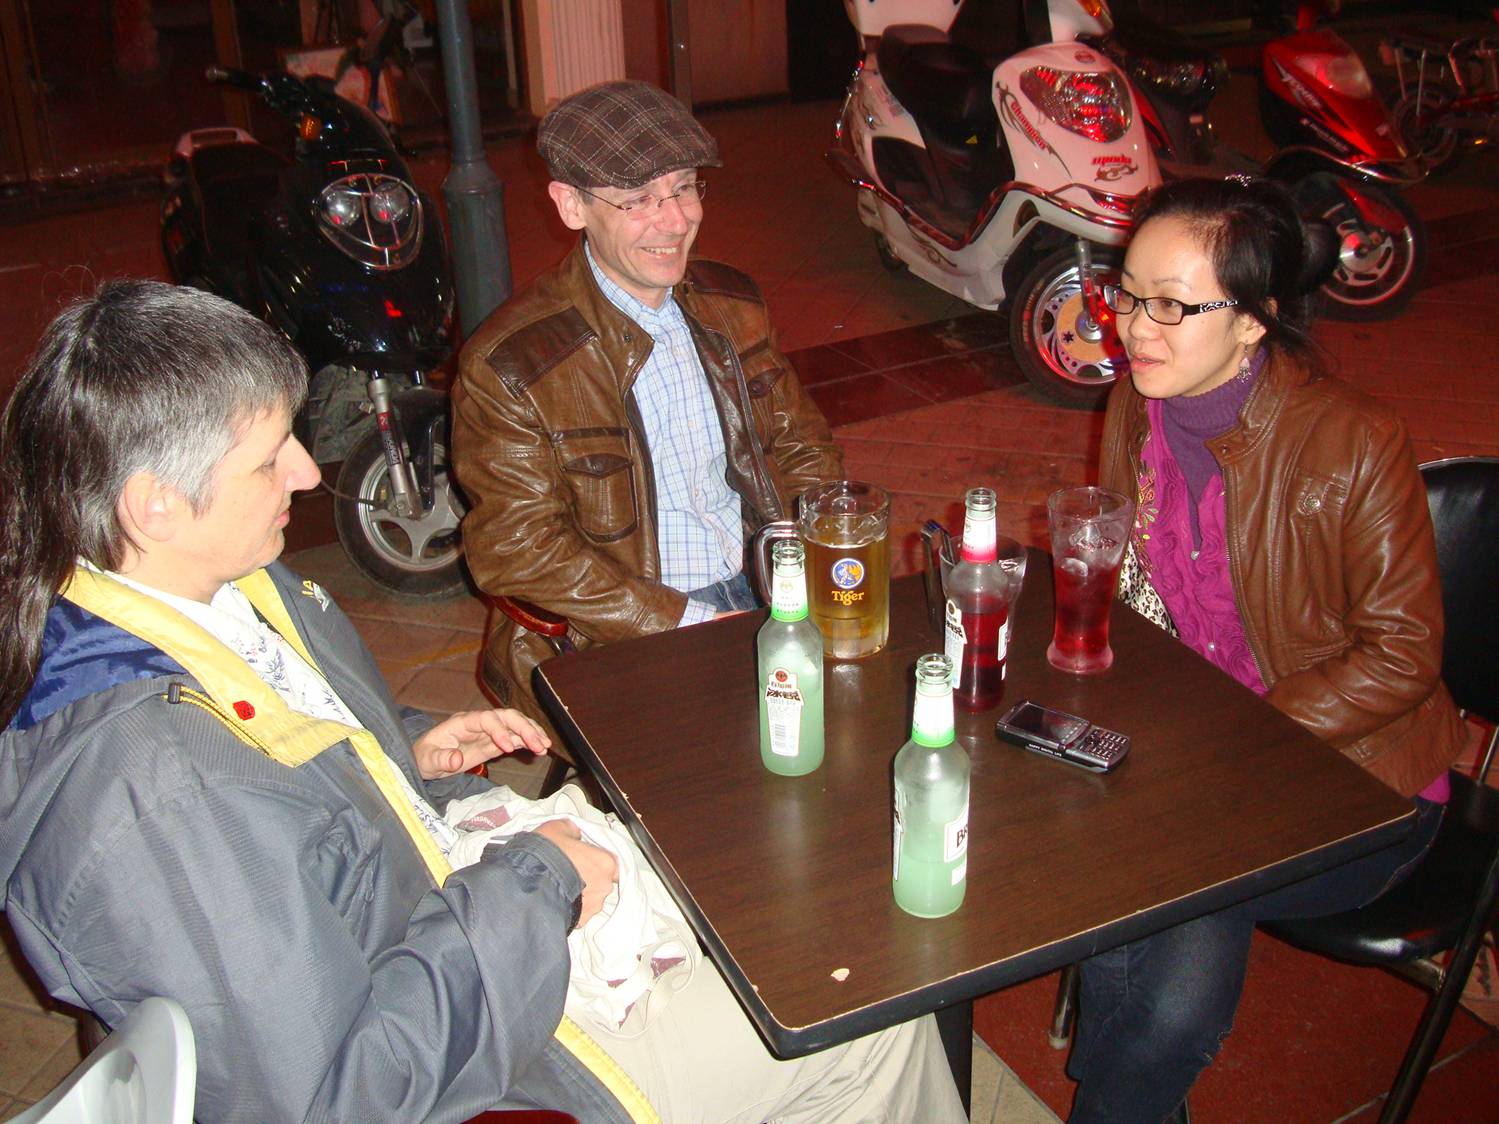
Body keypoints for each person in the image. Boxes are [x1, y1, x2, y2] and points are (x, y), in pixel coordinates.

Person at [0, 281, 963, 1124]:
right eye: (267, 458)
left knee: (732, 848)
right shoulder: (153, 795)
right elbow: (339, 1098)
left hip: (437, 911)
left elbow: (283, 777)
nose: (305, 470)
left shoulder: (214, 592)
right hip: (491, 1062)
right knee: (869, 1025)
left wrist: (397, 745)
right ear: (153, 504)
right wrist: (535, 882)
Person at [1066, 177, 1467, 1123]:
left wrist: (1237, 735)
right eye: (1127, 292)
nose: (1135, 326)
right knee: (1078, 849)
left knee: (1162, 936)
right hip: (1191, 750)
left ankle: (1114, 1087)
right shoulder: (1137, 405)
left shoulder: (1352, 440)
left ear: (1253, 322)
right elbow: (1131, 577)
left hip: (1356, 775)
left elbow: (1405, 655)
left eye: (1173, 304)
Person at [452, 80, 843, 739]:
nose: (673, 220)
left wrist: (808, 554)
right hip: (621, 628)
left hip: (766, 582)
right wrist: (681, 622)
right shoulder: (513, 363)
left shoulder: (732, 304)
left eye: (684, 188)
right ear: (570, 205)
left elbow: (800, 445)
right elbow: (514, 547)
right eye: (636, 200)